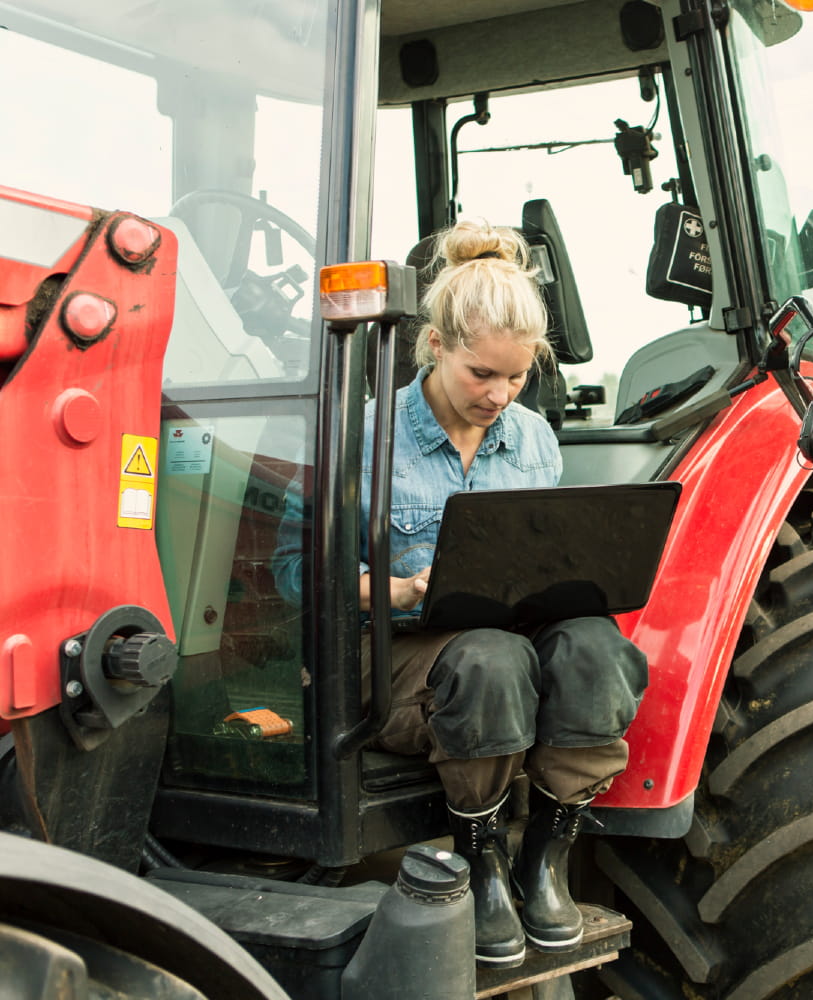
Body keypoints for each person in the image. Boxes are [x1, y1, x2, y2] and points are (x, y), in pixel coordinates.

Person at [275, 221, 648, 968]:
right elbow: (294, 573)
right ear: (436, 345)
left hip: (506, 638)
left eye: (516, 378)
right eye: (482, 374)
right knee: (490, 660)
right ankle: (482, 858)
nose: (499, 395)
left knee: (597, 650)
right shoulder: (361, 437)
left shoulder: (534, 437)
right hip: (396, 654)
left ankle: (545, 854)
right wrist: (392, 589)